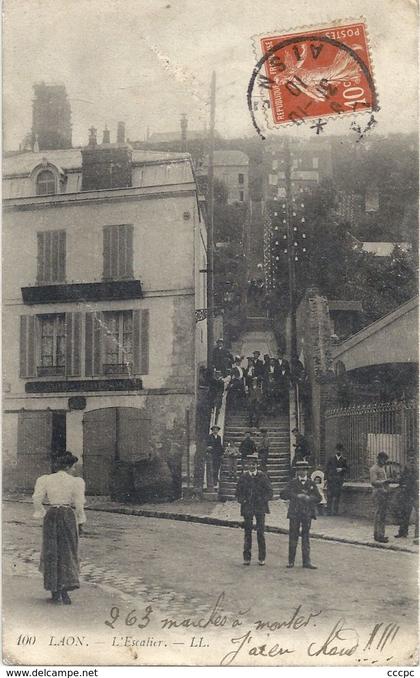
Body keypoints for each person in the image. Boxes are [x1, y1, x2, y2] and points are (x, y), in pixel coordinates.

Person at [32, 451, 86, 604]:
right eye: (73, 467)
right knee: (68, 550)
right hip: (68, 515)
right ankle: (65, 591)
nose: (74, 470)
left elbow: (37, 498)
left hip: (52, 515)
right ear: (68, 466)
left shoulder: (45, 479)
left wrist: (41, 512)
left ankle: (54, 591)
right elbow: (79, 504)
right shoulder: (76, 482)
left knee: (51, 551)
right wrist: (81, 521)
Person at [280, 461, 321, 569]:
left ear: (307, 470)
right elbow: (283, 494)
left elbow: (319, 497)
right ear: (296, 471)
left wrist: (309, 498)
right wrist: (296, 496)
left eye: (303, 469)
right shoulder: (292, 483)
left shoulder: (311, 483)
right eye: (299, 470)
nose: (301, 472)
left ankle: (306, 561)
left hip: (307, 513)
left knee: (306, 537)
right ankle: (291, 561)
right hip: (295, 513)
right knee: (293, 536)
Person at [235, 454, 273, 565]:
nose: (251, 466)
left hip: (260, 508)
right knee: (247, 532)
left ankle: (262, 558)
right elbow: (238, 492)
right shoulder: (243, 477)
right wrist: (243, 500)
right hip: (248, 507)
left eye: (254, 464)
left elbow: (270, 492)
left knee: (260, 532)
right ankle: (247, 558)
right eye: (250, 464)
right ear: (247, 465)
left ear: (257, 465)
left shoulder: (263, 476)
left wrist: (263, 500)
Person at [370, 451, 393, 543]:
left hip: (383, 493)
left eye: (385, 460)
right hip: (378, 493)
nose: (384, 462)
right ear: (379, 459)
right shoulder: (374, 469)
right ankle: (378, 535)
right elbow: (373, 482)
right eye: (383, 459)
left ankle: (381, 534)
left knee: (383, 514)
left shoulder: (382, 468)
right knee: (379, 514)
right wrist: (385, 481)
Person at [395, 452, 419, 540]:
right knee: (404, 513)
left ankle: (417, 534)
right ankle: (402, 532)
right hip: (406, 494)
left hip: (416, 494)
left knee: (418, 514)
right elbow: (401, 480)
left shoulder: (417, 470)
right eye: (410, 460)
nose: (411, 462)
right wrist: (402, 486)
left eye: (413, 460)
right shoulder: (405, 469)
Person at [325, 443, 349, 515]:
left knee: (337, 496)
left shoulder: (344, 460)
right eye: (338, 450)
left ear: (342, 451)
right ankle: (329, 512)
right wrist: (326, 478)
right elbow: (326, 469)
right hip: (331, 480)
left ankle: (335, 511)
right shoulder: (331, 459)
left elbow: (347, 469)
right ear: (335, 450)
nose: (339, 452)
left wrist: (342, 469)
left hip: (339, 480)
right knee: (329, 496)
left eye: (340, 450)